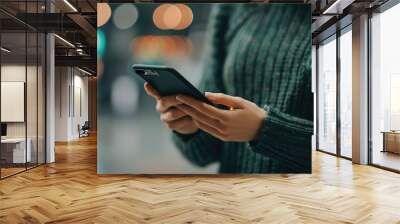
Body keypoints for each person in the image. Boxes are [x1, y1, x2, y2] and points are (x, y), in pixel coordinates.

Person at [144, 4, 313, 173]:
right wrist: (192, 127)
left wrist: (264, 130)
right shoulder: (231, 8)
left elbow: (338, 152)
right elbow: (207, 152)